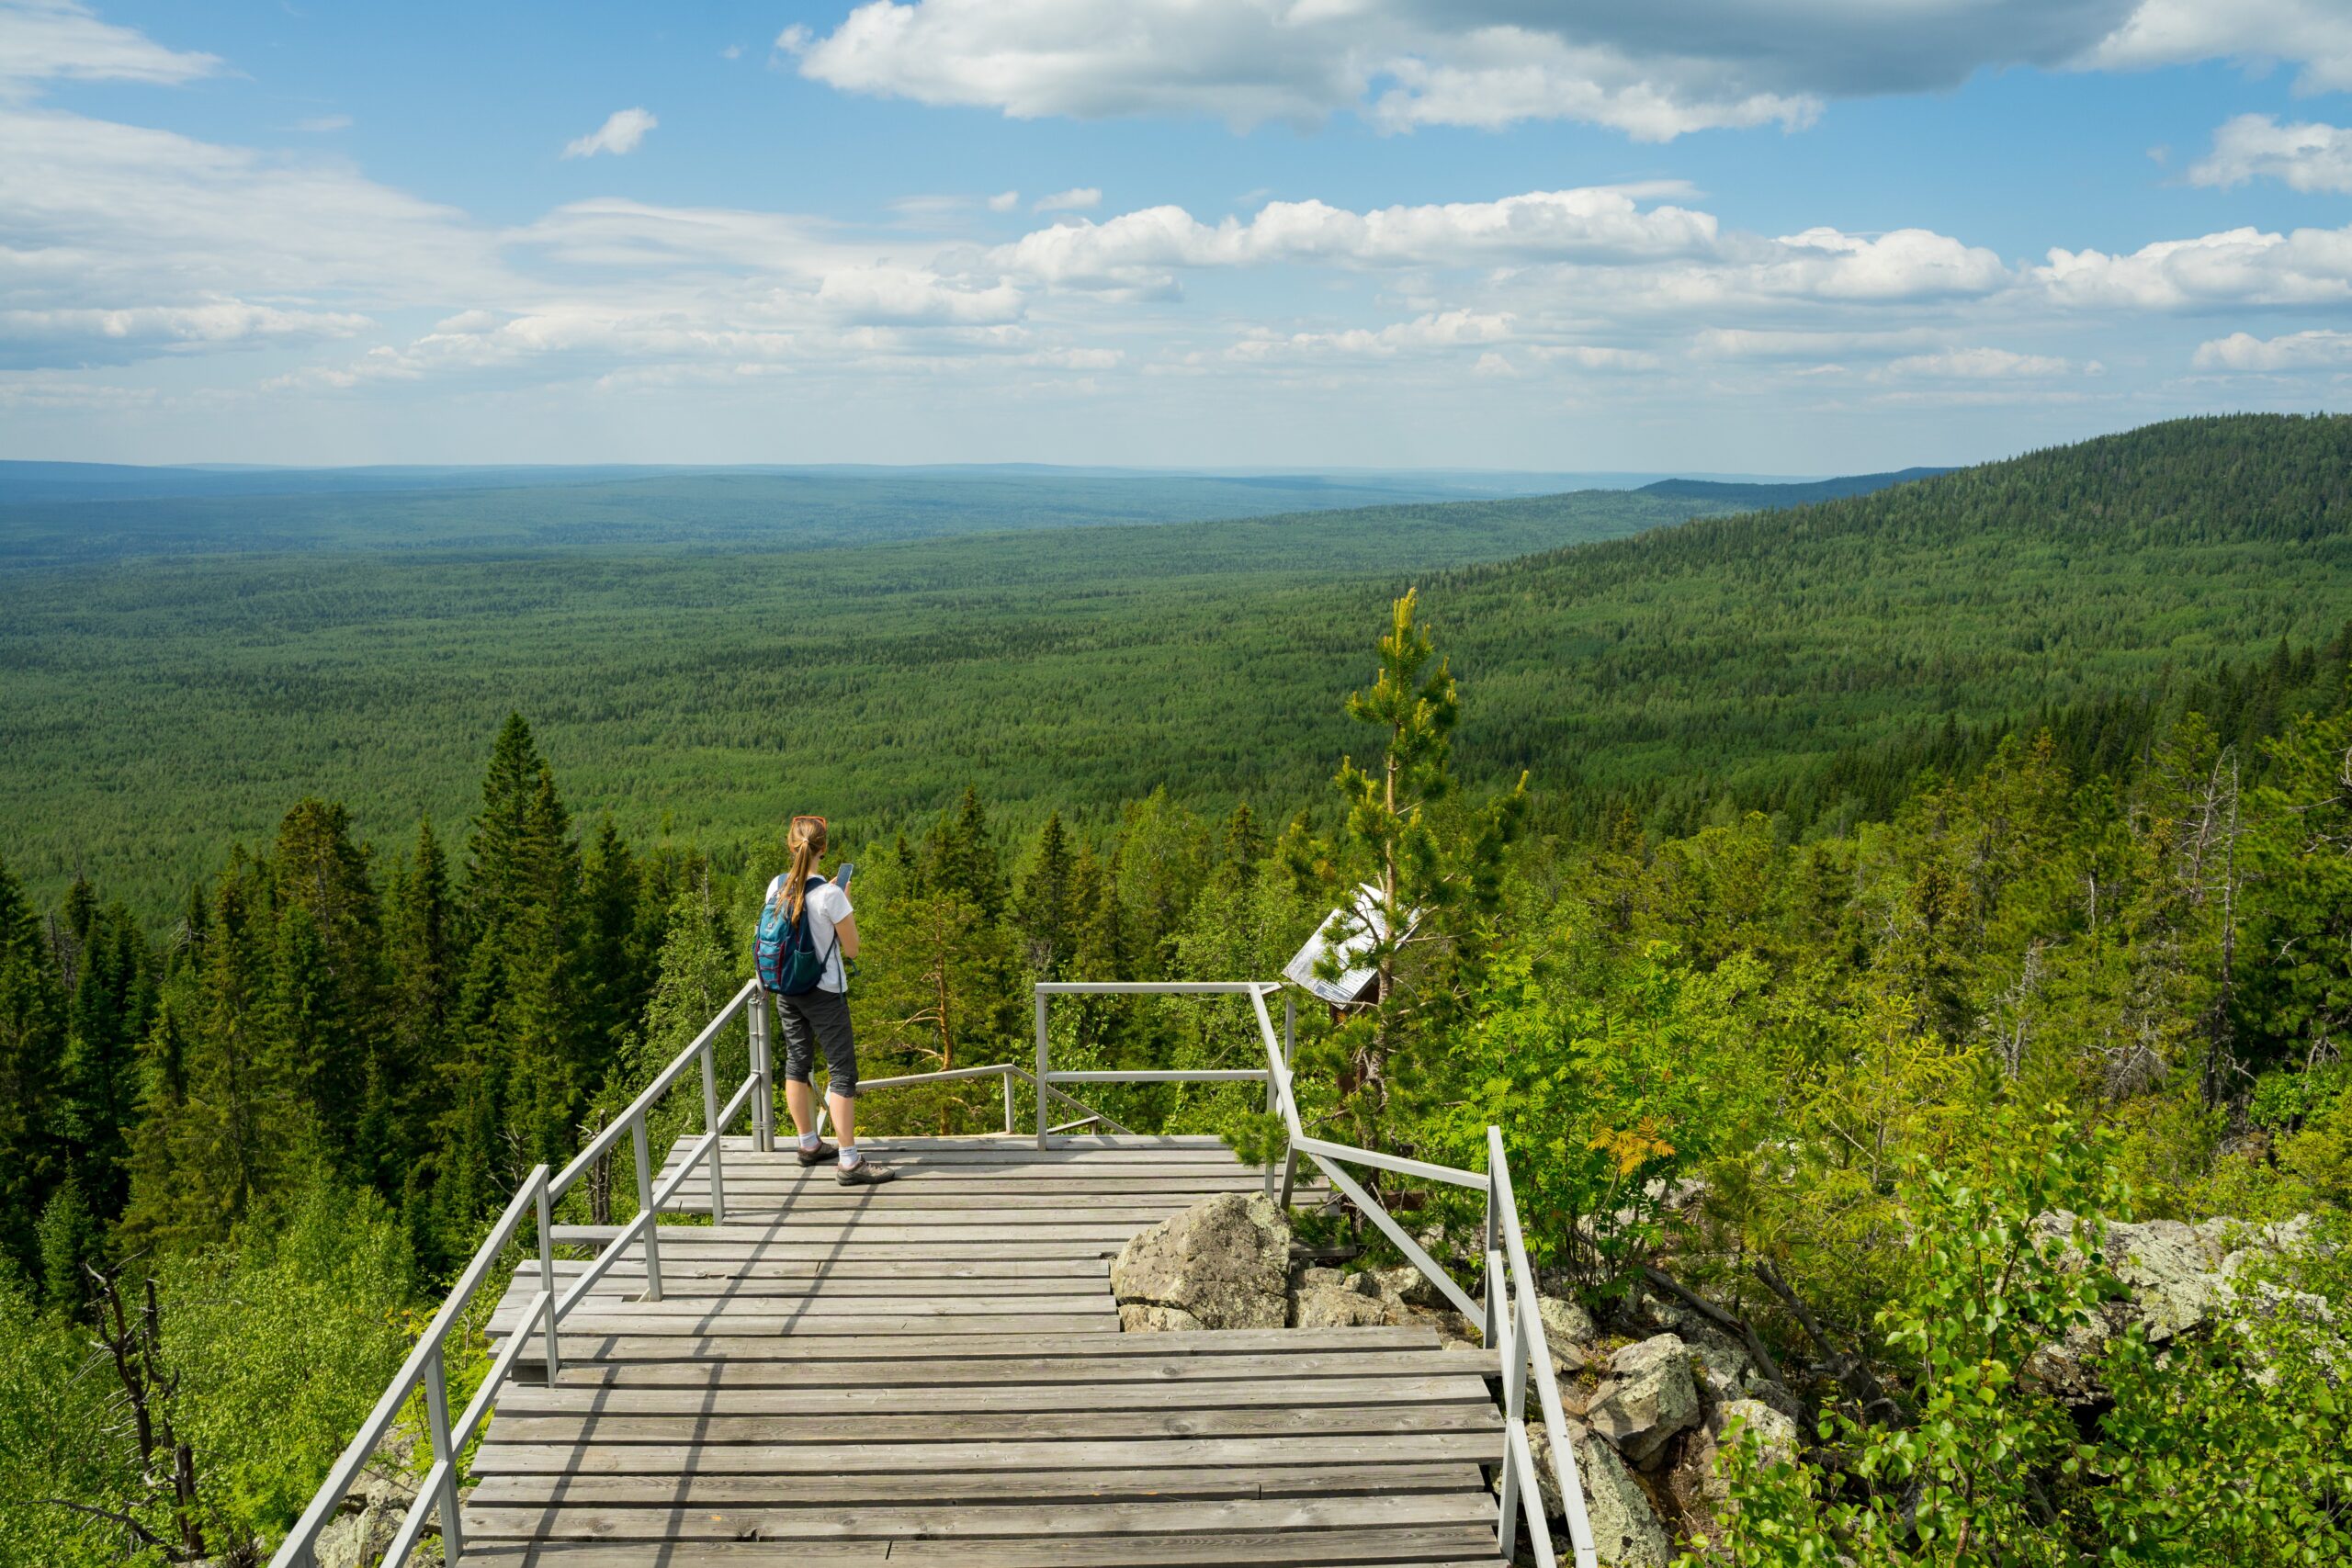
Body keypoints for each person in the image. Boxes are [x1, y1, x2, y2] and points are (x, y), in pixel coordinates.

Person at [763, 816, 894, 1186]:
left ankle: (808, 1144)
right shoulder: (831, 895)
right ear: (824, 849)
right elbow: (852, 949)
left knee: (797, 1062)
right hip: (823, 993)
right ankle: (850, 1162)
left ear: (792, 847)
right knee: (842, 1071)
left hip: (786, 988)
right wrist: (843, 904)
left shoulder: (775, 885)